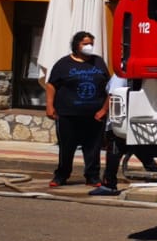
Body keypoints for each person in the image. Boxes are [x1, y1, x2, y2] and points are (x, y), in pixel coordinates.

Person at [45, 30, 110, 190]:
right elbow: (51, 85)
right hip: (68, 115)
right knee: (67, 148)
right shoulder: (63, 64)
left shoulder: (98, 62)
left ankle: (92, 177)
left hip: (94, 115)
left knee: (93, 149)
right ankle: (61, 175)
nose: (89, 47)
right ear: (76, 45)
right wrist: (49, 105)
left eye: (91, 44)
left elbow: (109, 87)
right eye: (85, 43)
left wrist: (104, 109)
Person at [95, 73, 157, 195]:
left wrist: (103, 110)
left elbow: (113, 94)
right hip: (133, 118)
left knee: (114, 153)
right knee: (140, 150)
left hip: (119, 120)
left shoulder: (120, 75)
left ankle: (109, 185)